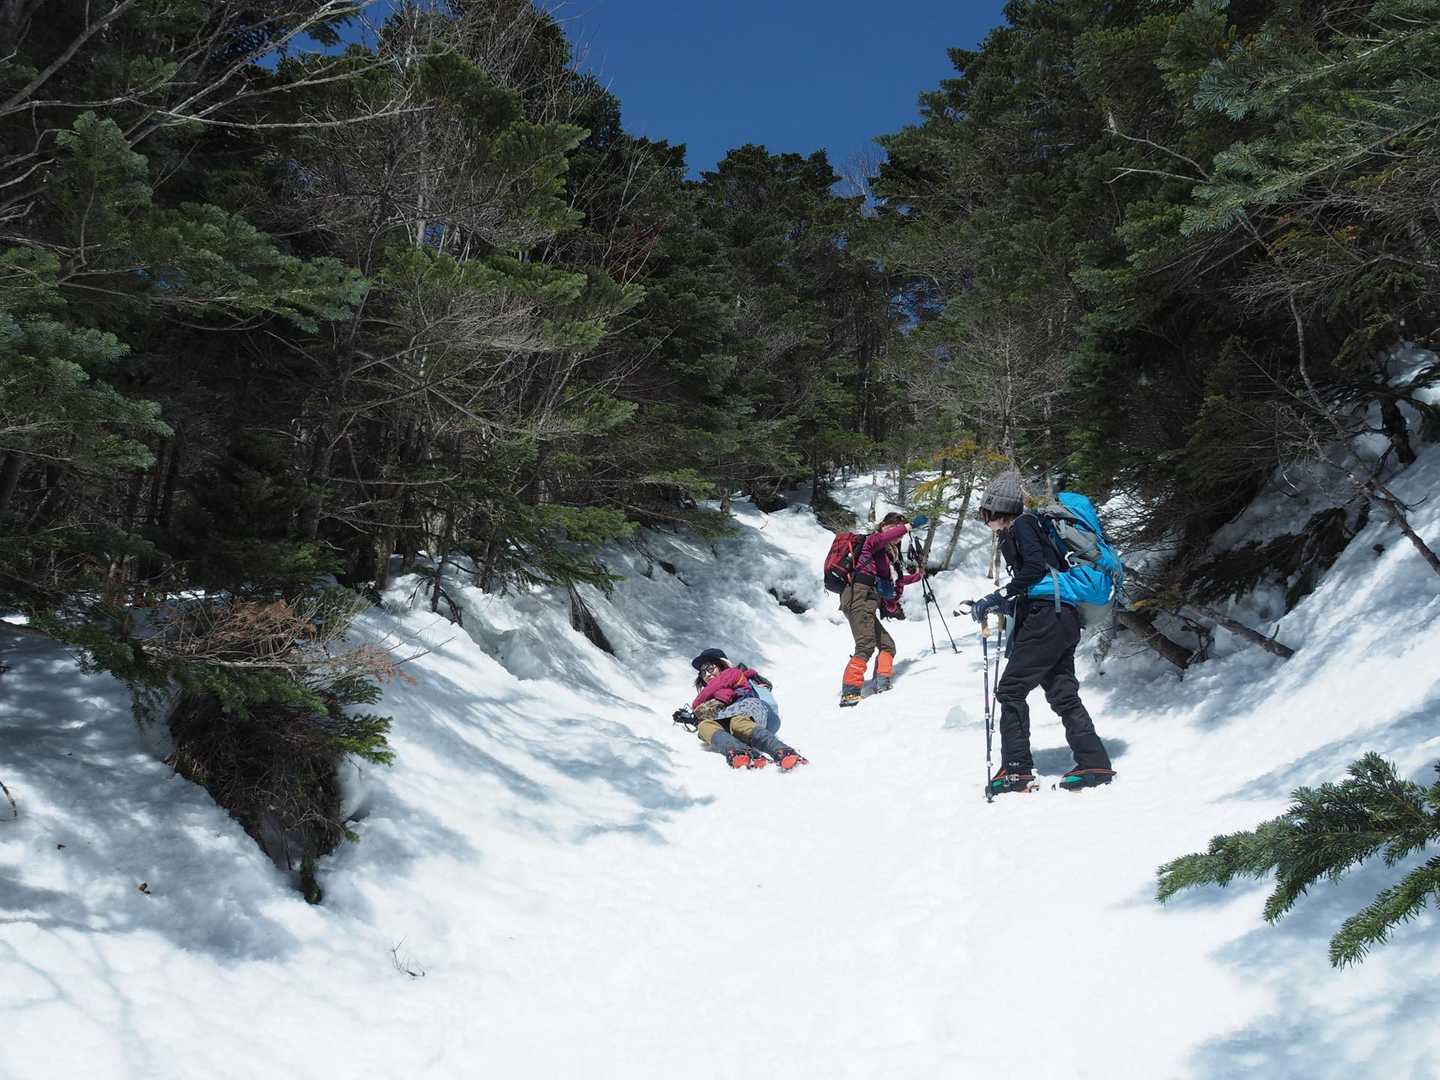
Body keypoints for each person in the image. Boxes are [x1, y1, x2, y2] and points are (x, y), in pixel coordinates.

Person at [968, 471, 1115, 795]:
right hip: (1061, 617)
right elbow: (1038, 578)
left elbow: (1035, 570)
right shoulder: (1025, 528)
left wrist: (999, 595)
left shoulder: (1022, 525)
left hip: (1047, 617)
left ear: (995, 509)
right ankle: (1095, 763)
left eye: (983, 511)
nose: (983, 518)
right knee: (1062, 692)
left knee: (1011, 690)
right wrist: (1004, 603)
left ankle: (1016, 770)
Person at [838, 512, 928, 706]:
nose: (899, 536)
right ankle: (850, 692)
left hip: (868, 600)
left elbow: (895, 579)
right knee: (865, 645)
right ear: (884, 526)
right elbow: (884, 538)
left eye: (901, 535)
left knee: (887, 645)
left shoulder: (887, 554)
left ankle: (882, 683)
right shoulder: (873, 541)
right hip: (858, 596)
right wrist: (909, 526)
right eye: (895, 529)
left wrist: (919, 576)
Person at [683, 648, 808, 770]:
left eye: (711, 668)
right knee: (704, 726)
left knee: (737, 722)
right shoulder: (710, 697)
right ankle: (739, 751)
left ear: (722, 665)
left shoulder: (732, 673)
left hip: (749, 710)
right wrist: (695, 718)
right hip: (729, 721)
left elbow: (712, 690)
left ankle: (781, 751)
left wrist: (697, 706)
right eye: (703, 672)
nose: (707, 674)